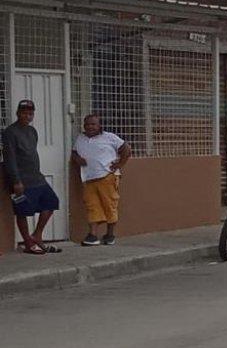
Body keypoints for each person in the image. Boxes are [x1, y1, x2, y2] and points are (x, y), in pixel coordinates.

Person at [2, 100, 61, 255]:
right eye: (24, 113)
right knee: (22, 211)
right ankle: (28, 243)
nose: (27, 116)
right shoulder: (10, 132)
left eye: (30, 113)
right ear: (18, 113)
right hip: (20, 181)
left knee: (52, 201)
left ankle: (37, 235)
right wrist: (16, 181)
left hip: (37, 178)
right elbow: (10, 158)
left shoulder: (32, 131)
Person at [70, 115, 131, 246]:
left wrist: (119, 164)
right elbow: (74, 152)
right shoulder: (81, 138)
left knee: (109, 205)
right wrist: (77, 159)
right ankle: (92, 235)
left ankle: (110, 235)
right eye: (87, 124)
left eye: (93, 124)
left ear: (99, 126)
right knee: (92, 207)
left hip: (107, 177)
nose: (90, 127)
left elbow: (126, 148)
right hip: (88, 178)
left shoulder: (109, 137)